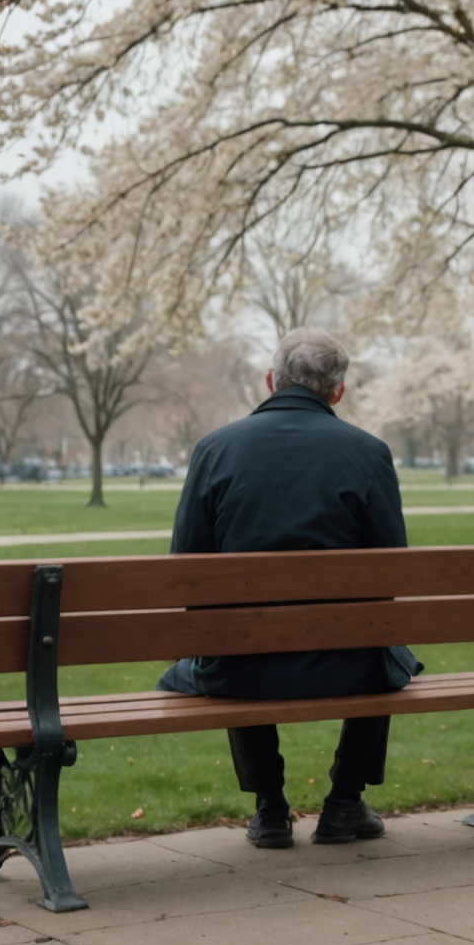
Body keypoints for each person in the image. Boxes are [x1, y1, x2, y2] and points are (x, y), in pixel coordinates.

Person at [156, 327, 419, 849]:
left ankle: (271, 808)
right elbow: (390, 575)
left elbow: (185, 570)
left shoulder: (214, 450)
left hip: (239, 666)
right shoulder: (369, 453)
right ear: (337, 391)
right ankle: (344, 802)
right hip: (347, 662)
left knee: (229, 634)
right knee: (385, 647)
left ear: (271, 380)